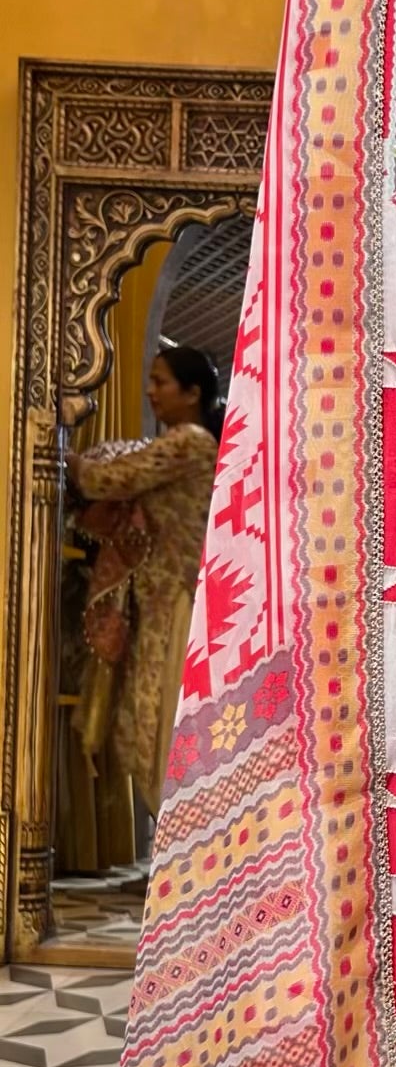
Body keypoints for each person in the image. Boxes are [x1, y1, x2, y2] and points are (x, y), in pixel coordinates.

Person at [65, 344, 223, 813]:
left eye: (161, 382)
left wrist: (64, 457)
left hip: (177, 605)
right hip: (165, 602)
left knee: (160, 732)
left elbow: (105, 480)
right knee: (150, 730)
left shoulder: (189, 441)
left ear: (192, 393)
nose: (151, 392)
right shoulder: (190, 442)